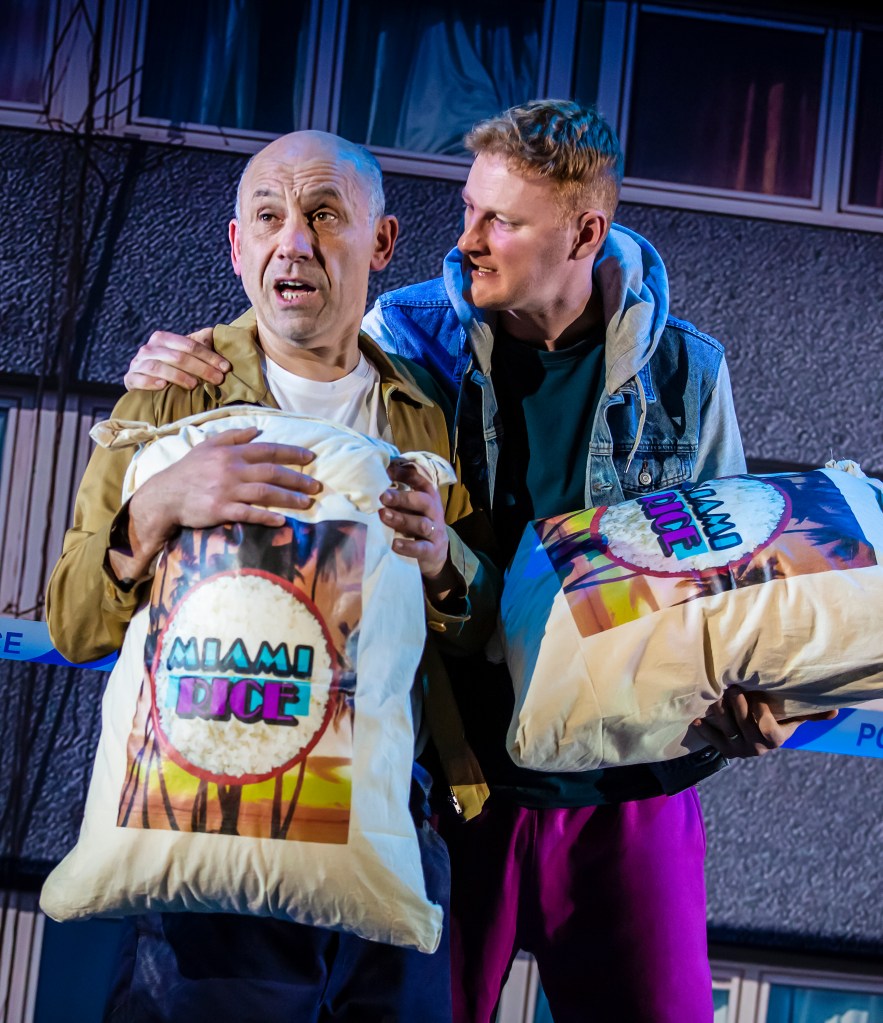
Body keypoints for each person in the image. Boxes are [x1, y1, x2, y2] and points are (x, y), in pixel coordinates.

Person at [124, 102, 833, 1023]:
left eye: (501, 219)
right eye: (468, 208)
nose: (466, 240)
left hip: (625, 786)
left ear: (585, 231)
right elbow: (301, 357)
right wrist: (187, 360)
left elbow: (729, 573)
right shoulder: (408, 332)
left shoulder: (687, 372)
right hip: (457, 777)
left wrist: (762, 698)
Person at [46, 129, 499, 1023]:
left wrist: (448, 566)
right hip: (208, 844)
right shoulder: (174, 394)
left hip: (382, 827)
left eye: (324, 215)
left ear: (380, 244)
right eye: (268, 216)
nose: (293, 239)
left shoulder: (424, 414)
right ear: (238, 245)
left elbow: (475, 626)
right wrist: (159, 505)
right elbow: (72, 619)